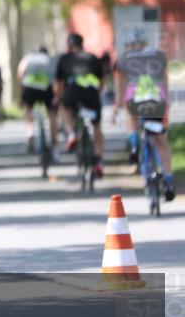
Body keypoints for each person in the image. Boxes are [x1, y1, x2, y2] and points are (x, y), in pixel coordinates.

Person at [113, 28, 174, 201]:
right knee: (162, 141)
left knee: (130, 114)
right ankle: (168, 180)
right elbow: (164, 81)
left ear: (130, 45)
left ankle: (133, 144)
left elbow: (120, 86)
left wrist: (117, 105)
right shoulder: (158, 55)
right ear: (145, 43)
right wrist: (166, 103)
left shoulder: (124, 59)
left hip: (136, 99)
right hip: (157, 100)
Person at [54, 32, 104, 178]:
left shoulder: (64, 58)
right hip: (91, 92)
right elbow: (101, 81)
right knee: (97, 127)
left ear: (69, 46)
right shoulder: (93, 58)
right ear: (82, 44)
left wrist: (58, 98)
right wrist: (97, 95)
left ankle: (71, 134)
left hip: (73, 91)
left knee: (64, 106)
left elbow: (59, 83)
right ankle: (99, 161)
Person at [17, 46, 58, 154]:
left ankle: (30, 132)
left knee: (28, 109)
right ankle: (54, 143)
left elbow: (21, 74)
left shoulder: (27, 58)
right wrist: (56, 96)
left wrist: (22, 92)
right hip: (46, 88)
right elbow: (55, 78)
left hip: (29, 87)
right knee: (51, 113)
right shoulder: (49, 60)